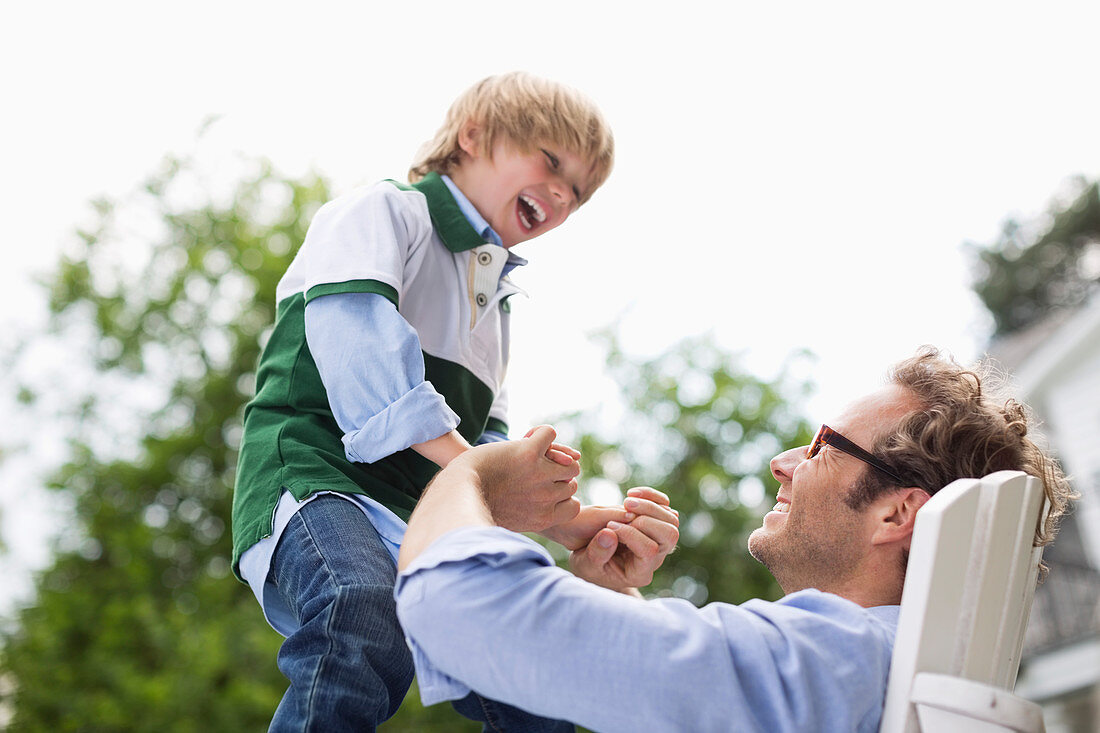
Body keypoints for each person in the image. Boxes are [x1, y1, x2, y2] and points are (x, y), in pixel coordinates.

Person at [230, 72, 631, 731]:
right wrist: (479, 473)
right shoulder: (381, 213)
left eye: (579, 190)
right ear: (472, 137)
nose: (561, 193)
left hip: (420, 515)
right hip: (319, 477)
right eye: (550, 161)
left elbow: (484, 451)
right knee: (359, 605)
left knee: (537, 671)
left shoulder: (494, 298)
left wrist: (567, 521)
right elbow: (362, 358)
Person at [395, 347, 1074, 733]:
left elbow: (455, 600)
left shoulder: (844, 662)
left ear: (896, 514)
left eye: (821, 447)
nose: (782, 463)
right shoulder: (868, 672)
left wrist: (470, 474)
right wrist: (612, 596)